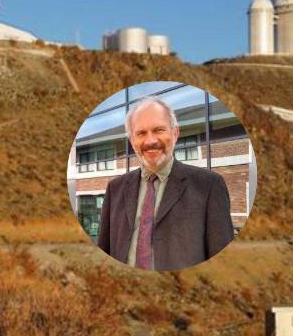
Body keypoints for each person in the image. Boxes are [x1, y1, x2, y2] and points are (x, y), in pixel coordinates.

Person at [97, 96, 234, 271]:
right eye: (141, 133)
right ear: (131, 140)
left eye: (159, 130)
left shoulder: (209, 185)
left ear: (175, 133)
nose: (150, 141)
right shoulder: (115, 188)